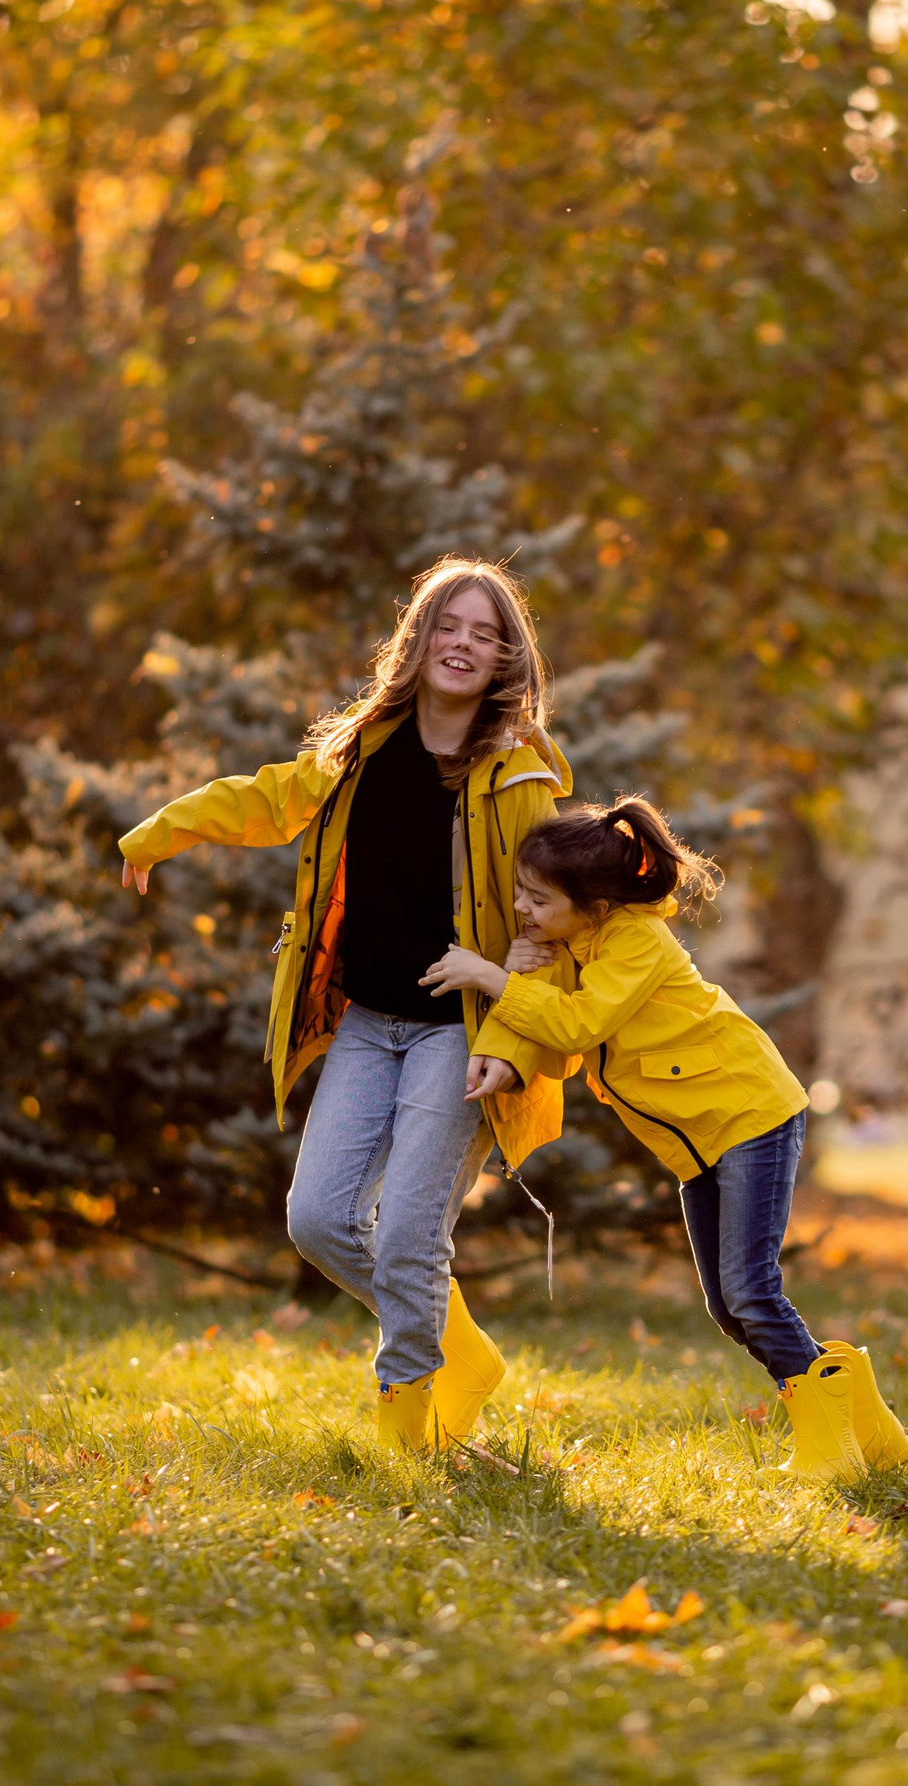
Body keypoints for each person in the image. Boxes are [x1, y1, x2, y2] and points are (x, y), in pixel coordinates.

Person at [116, 559, 571, 1456]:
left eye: (486, 633)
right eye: (450, 625)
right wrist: (161, 831)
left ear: (505, 659)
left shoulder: (522, 781)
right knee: (319, 1219)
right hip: (369, 1022)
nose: (464, 643)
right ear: (421, 638)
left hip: (462, 1033)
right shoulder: (359, 753)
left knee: (408, 1230)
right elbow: (263, 798)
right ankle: (454, 1343)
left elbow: (549, 934)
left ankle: (411, 1426)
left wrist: (514, 1045)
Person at [423, 796, 908, 1482]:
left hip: (750, 1116)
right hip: (702, 1141)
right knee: (727, 1305)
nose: (522, 908)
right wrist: (522, 979)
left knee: (751, 1292)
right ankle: (869, 1424)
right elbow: (553, 1032)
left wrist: (493, 976)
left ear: (594, 902)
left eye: (537, 897)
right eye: (520, 893)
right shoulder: (575, 945)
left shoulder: (636, 942)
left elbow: (576, 1026)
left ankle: (831, 1449)